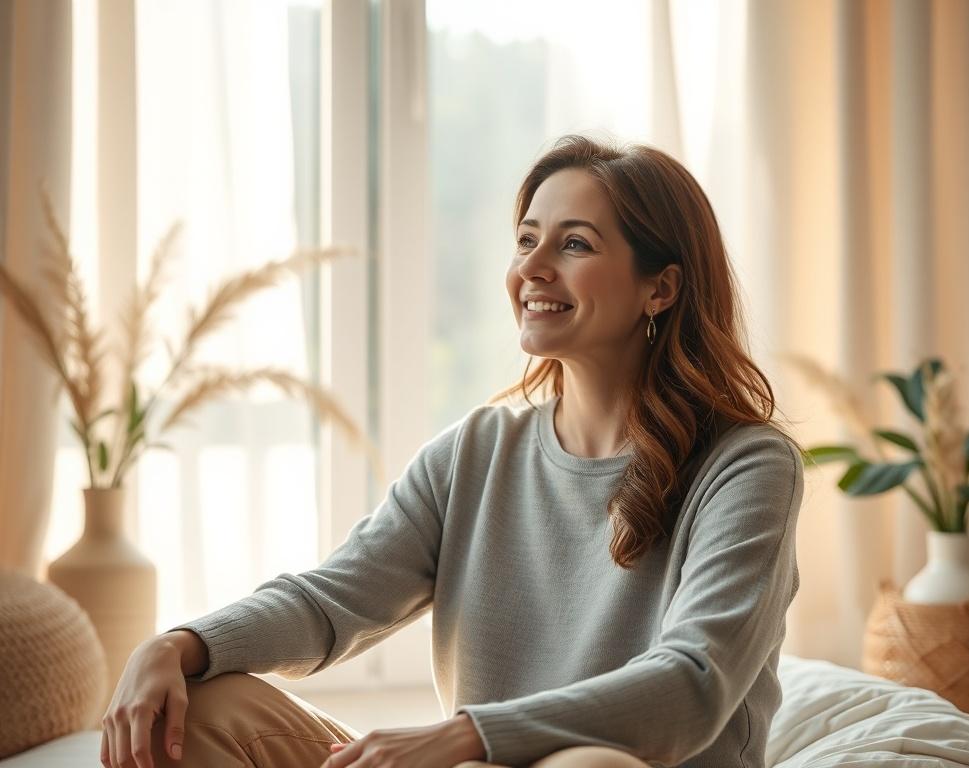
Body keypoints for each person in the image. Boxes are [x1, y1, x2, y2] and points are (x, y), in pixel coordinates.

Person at [99, 133, 803, 768]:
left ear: (661, 287)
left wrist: (467, 734)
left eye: (575, 245)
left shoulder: (746, 467)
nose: (533, 267)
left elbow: (692, 686)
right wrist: (180, 644)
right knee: (195, 707)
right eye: (526, 240)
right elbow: (329, 602)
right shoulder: (475, 453)